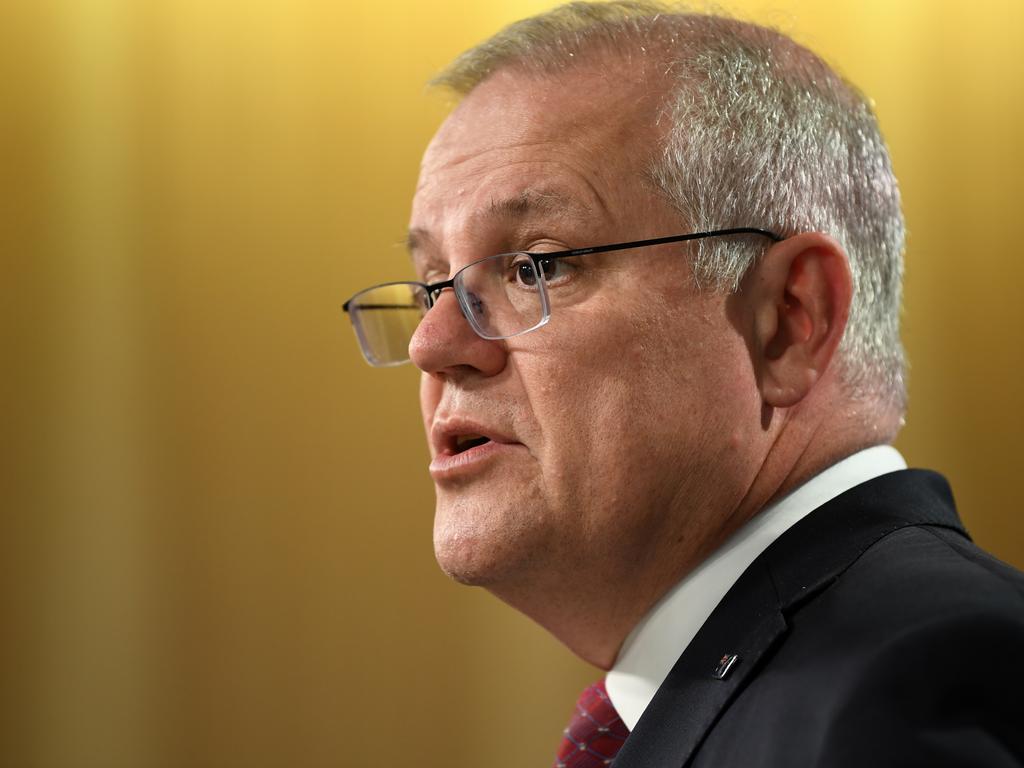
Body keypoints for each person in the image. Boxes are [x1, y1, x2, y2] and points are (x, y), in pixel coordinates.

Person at [342, 2, 1024, 765]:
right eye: (432, 283)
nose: (435, 345)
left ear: (789, 319)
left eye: (537, 265)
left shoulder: (913, 692)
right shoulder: (773, 686)